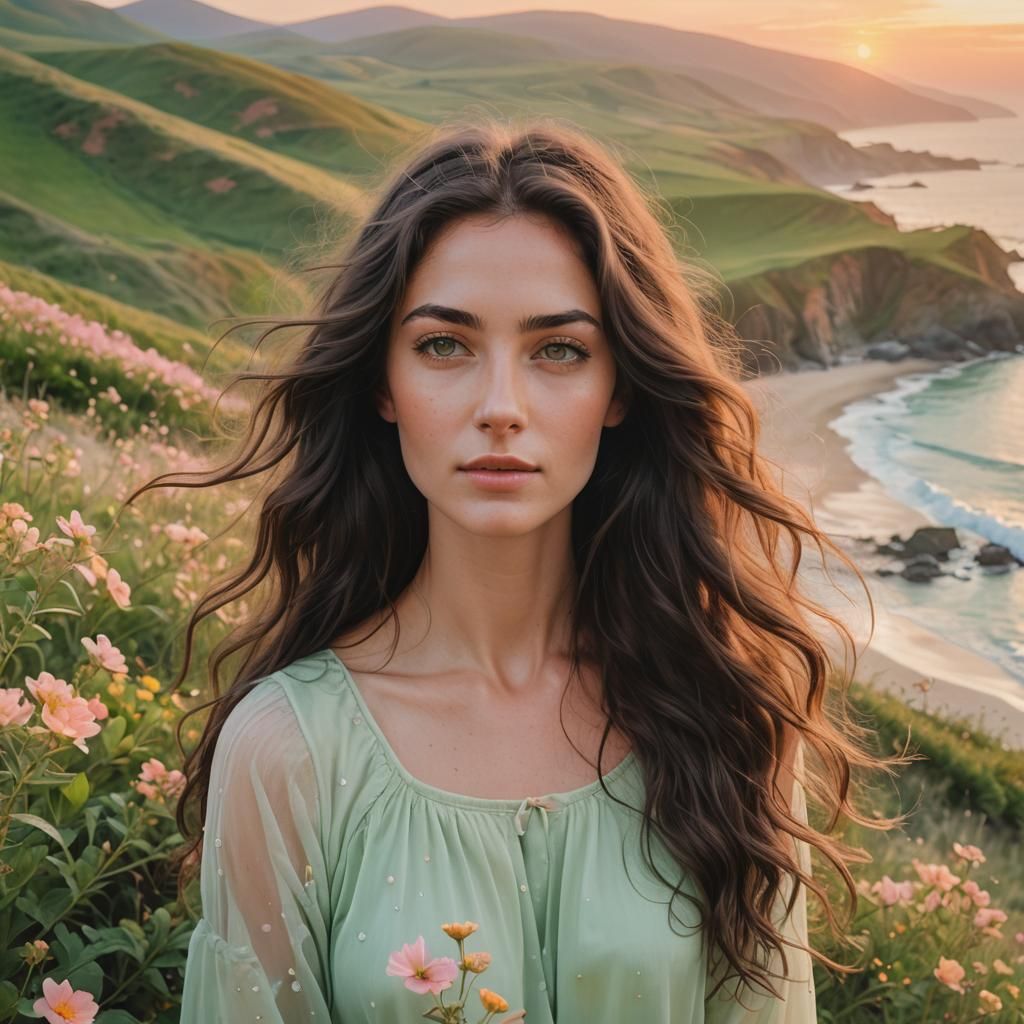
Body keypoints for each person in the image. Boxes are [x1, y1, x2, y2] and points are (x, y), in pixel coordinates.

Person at [129, 117, 909, 1022]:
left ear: (619, 388)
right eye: (444, 345)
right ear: (382, 382)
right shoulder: (289, 749)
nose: (501, 408)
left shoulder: (730, 720)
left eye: (560, 351)